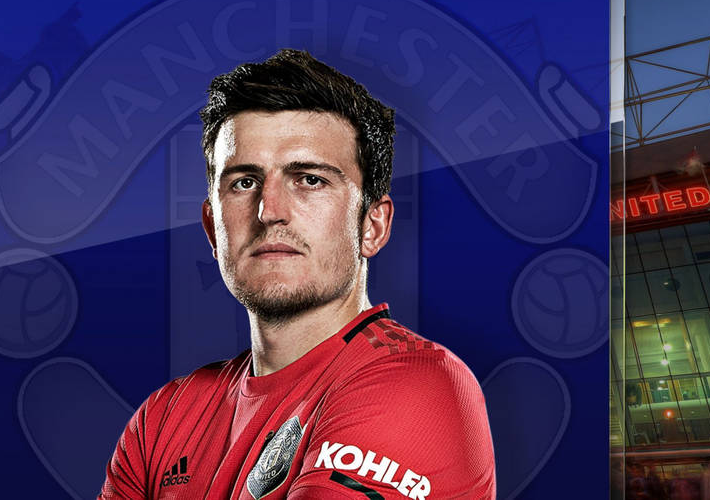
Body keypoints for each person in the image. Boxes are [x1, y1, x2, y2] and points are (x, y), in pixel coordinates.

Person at [100, 49, 495, 499]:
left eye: (309, 179)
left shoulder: (417, 386)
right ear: (213, 227)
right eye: (244, 182)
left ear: (372, 226)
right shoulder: (162, 420)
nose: (269, 211)